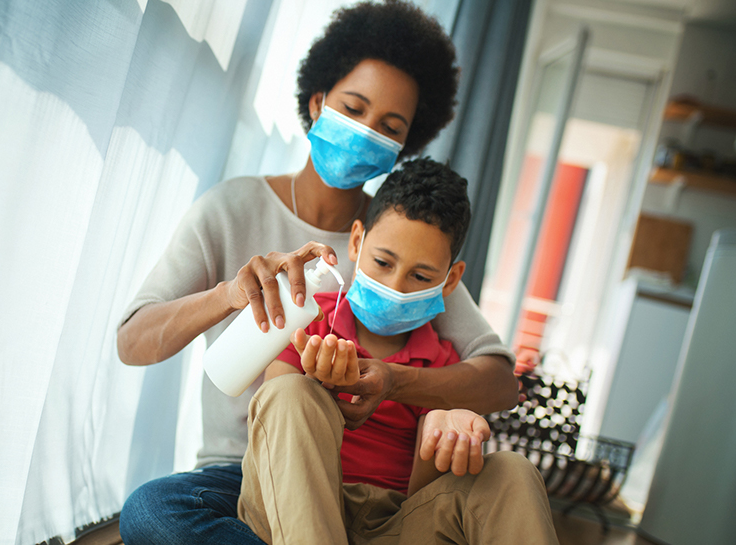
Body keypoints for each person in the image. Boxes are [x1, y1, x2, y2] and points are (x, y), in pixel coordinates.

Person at [117, 0, 519, 545]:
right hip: (239, 470)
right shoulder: (233, 208)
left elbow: (496, 378)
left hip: (363, 480)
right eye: (353, 109)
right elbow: (133, 342)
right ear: (318, 101)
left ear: (404, 146)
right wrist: (230, 294)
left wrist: (397, 382)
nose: (366, 131)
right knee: (154, 512)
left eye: (389, 126)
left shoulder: (396, 242)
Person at [237, 158, 558, 544]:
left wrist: (442, 440)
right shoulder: (309, 318)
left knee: (512, 471)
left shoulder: (443, 366)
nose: (396, 285)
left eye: (420, 276)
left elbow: (424, 496)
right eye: (383, 262)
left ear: (450, 280)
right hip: (289, 507)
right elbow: (275, 419)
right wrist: (315, 380)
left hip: (391, 525)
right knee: (290, 392)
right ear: (357, 242)